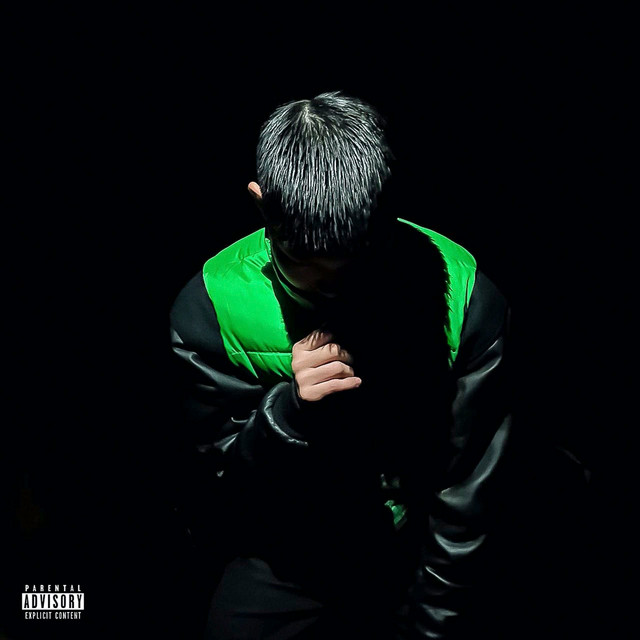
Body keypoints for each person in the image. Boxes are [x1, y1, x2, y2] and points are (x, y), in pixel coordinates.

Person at [169, 91, 512, 639]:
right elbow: (218, 495)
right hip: (286, 551)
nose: (333, 289)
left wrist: (436, 626)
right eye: (304, 262)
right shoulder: (212, 304)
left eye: (355, 261)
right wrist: (285, 415)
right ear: (260, 203)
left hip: (414, 543)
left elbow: (467, 493)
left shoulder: (465, 298)